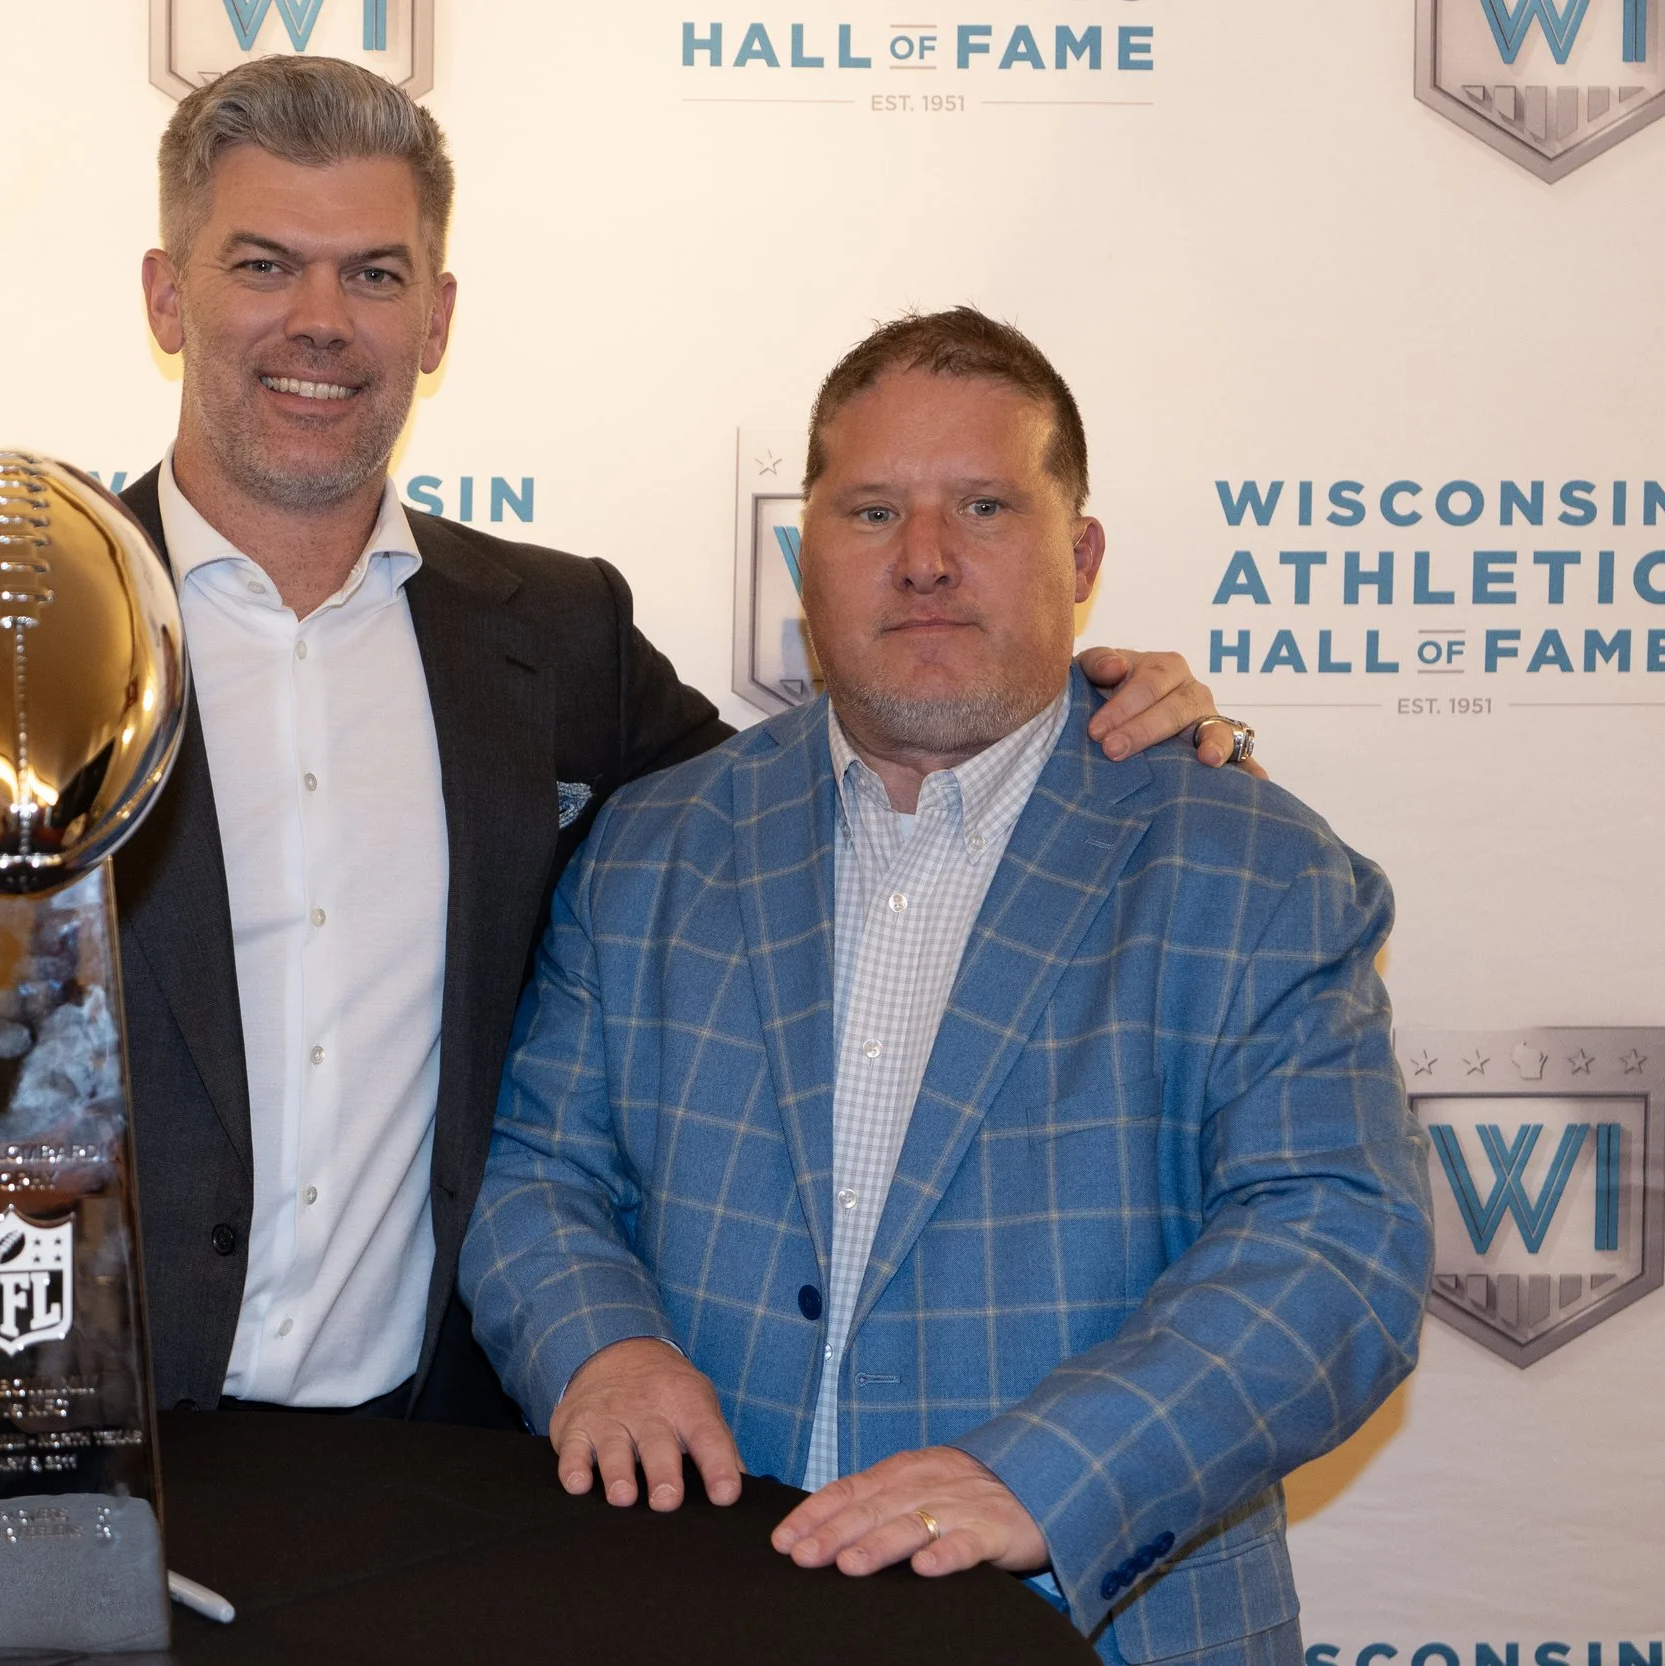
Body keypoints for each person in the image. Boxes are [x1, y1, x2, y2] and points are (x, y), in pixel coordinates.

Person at [0, 58, 1245, 1426]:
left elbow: (831, 805)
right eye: (263, 263)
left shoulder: (556, 640)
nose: (320, 324)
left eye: (375, 273)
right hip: (77, 1466)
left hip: (452, 1477)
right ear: (167, 294)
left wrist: (1082, 704)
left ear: (439, 316)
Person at [462, 306, 1430, 1661]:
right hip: (703, 1604)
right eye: (870, 512)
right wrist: (597, 1345)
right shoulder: (656, 843)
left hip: (1107, 1629)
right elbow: (537, 1165)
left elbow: (1335, 1244)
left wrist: (1050, 1472)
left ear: (1080, 555)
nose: (924, 560)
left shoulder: (1250, 861)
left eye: (983, 505)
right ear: (806, 556)